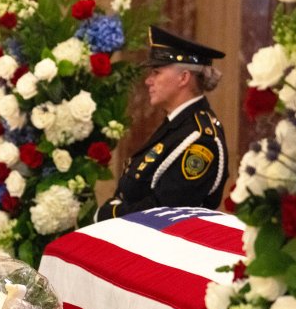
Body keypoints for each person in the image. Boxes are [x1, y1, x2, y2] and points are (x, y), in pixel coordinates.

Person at [96, 26, 229, 222]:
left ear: (183, 78)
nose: (148, 81)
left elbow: (165, 212)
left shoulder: (200, 138)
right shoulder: (178, 125)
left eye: (156, 72)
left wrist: (109, 214)